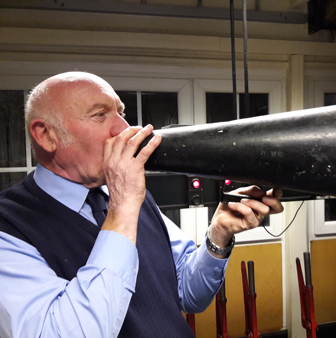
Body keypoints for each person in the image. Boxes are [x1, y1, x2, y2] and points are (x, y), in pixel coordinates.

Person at [0, 71, 284, 337]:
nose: (125, 129)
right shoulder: (9, 225)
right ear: (46, 135)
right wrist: (123, 207)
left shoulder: (133, 197)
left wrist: (219, 234)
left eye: (121, 113)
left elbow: (189, 293)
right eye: (100, 115)